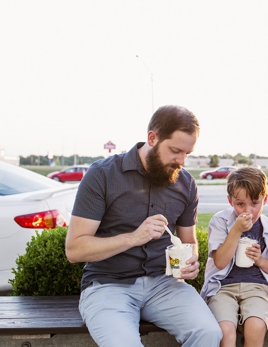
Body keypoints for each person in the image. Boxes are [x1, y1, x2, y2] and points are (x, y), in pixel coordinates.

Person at [65, 105, 222, 347]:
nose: (181, 161)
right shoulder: (103, 175)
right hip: (108, 285)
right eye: (175, 151)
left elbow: (189, 241)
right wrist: (134, 237)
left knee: (209, 333)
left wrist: (191, 262)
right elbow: (75, 249)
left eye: (187, 154)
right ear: (152, 138)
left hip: (165, 285)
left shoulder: (186, 184)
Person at [200, 166, 268, 347]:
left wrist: (260, 260)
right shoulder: (220, 222)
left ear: (265, 199)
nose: (248, 210)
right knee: (225, 330)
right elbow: (220, 262)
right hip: (222, 287)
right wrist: (236, 231)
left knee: (256, 326)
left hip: (256, 287)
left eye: (255, 203)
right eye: (240, 204)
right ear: (230, 201)